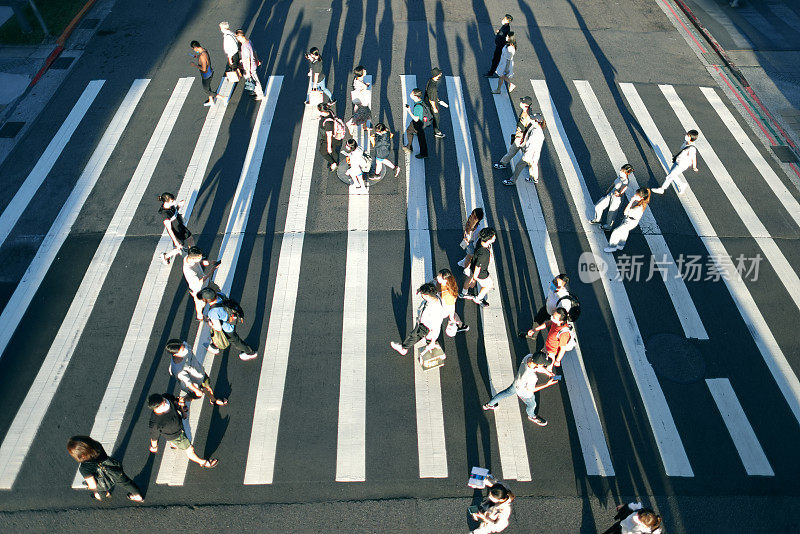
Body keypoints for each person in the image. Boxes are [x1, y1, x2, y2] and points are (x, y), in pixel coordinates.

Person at [482, 351, 558, 426]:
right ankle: (532, 416)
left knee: (505, 393)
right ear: (539, 364)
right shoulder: (531, 377)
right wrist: (546, 384)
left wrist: (548, 373)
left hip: (517, 383)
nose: (544, 366)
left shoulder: (528, 357)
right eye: (543, 364)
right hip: (524, 393)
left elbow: (537, 367)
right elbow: (531, 389)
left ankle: (488, 405)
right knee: (532, 404)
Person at [147, 393, 219, 468]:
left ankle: (174, 444)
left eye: (164, 400)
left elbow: (175, 403)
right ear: (156, 408)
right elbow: (154, 436)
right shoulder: (155, 422)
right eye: (163, 403)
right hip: (176, 436)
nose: (165, 402)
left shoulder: (166, 398)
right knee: (190, 449)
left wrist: (182, 412)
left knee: (178, 441)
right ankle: (204, 463)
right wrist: (154, 447)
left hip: (178, 426)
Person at [67, 435, 143, 502]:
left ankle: (105, 494)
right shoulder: (97, 446)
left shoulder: (84, 468)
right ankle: (137, 496)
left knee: (100, 490)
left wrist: (91, 488)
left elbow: (93, 485)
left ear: (81, 455)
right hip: (113, 469)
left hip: (101, 479)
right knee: (126, 483)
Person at [198, 287, 258, 361]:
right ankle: (214, 347)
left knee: (236, 341)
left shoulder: (213, 312)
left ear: (206, 300)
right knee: (223, 337)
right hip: (231, 318)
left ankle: (250, 353)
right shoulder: (220, 295)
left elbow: (218, 328)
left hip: (227, 328)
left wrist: (209, 322)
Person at [165, 339, 227, 406]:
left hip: (200, 373)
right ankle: (182, 400)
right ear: (175, 354)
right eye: (182, 349)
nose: (185, 348)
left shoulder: (184, 346)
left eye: (183, 345)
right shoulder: (178, 369)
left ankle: (213, 400)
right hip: (193, 383)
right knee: (198, 395)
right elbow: (188, 383)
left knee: (207, 387)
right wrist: (196, 390)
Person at [390, 282, 447, 355]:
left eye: (422, 293)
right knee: (425, 337)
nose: (421, 295)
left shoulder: (436, 310)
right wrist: (420, 289)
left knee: (414, 336)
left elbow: (436, 328)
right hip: (425, 323)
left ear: (427, 296)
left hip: (426, 326)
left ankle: (403, 348)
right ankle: (431, 343)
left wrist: (433, 341)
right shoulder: (435, 296)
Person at [499, 111, 545, 186]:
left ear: (537, 121)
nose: (531, 119)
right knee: (533, 164)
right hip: (533, 152)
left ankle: (512, 180)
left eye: (533, 119)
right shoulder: (535, 127)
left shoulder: (537, 133)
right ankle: (534, 179)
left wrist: (525, 153)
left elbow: (531, 146)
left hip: (530, 152)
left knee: (519, 166)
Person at [604, 188, 651, 252]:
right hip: (630, 220)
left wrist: (631, 201)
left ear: (641, 197)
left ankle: (612, 247)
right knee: (624, 232)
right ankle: (620, 245)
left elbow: (625, 212)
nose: (634, 195)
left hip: (630, 222)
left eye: (636, 195)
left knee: (616, 232)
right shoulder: (640, 202)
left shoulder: (639, 207)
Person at [652, 129, 698, 195]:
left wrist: (694, 167)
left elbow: (693, 157)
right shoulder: (686, 142)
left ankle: (679, 185)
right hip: (678, 161)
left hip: (682, 164)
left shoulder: (692, 148)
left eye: (688, 135)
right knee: (670, 175)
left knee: (672, 174)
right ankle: (664, 188)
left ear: (692, 138)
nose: (686, 136)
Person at [460, 227, 496, 307]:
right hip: (481, 274)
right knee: (488, 285)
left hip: (472, 265)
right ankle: (478, 298)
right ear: (489, 239)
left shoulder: (480, 241)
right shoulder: (483, 254)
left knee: (468, 278)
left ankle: (463, 293)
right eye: (493, 236)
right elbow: (478, 268)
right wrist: (474, 280)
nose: (494, 237)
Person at [493, 96, 532, 169]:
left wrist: (521, 138)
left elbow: (524, 128)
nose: (520, 103)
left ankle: (503, 163)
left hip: (520, 137)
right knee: (525, 151)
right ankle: (528, 162)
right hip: (522, 137)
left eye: (522, 102)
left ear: (526, 105)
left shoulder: (526, 115)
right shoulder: (527, 111)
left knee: (511, 152)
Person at [182, 246, 220, 321]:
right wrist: (212, 271)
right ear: (193, 258)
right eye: (199, 257)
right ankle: (200, 317)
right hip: (198, 289)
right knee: (200, 304)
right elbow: (200, 281)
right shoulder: (189, 271)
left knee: (217, 291)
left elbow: (199, 262)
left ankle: (220, 305)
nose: (201, 257)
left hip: (206, 282)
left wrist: (208, 262)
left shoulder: (188, 257)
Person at [591, 164, 633, 229]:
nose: (620, 172)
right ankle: (598, 219)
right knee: (598, 206)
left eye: (622, 171)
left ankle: (608, 226)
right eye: (621, 170)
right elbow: (614, 183)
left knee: (611, 213)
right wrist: (609, 190)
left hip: (617, 199)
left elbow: (621, 193)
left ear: (627, 173)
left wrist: (618, 193)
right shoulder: (620, 177)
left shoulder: (625, 182)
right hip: (611, 193)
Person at [158, 192, 194, 264]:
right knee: (178, 248)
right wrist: (175, 241)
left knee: (190, 238)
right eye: (172, 201)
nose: (174, 202)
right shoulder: (164, 214)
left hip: (180, 226)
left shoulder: (171, 206)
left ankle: (193, 254)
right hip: (176, 231)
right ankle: (165, 256)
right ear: (166, 202)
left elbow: (175, 212)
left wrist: (179, 206)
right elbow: (170, 230)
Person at [436, 268, 468, 334]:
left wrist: (452, 320)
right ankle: (460, 325)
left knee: (436, 321)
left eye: (439, 277)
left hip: (444, 309)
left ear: (445, 280)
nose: (437, 277)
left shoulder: (448, 295)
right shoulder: (449, 283)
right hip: (446, 305)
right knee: (453, 314)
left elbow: (451, 308)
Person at [235, 29, 263, 100]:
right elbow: (254, 51)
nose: (237, 39)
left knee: (255, 79)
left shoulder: (244, 47)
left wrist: (247, 70)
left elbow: (248, 59)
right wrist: (257, 60)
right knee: (252, 79)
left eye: (237, 37)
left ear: (239, 37)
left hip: (250, 67)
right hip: (253, 64)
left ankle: (260, 94)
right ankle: (255, 91)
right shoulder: (249, 41)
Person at [402, 88, 429, 159]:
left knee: (409, 131)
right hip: (422, 122)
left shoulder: (418, 107)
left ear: (416, 96)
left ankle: (410, 147)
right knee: (421, 137)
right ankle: (424, 153)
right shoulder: (420, 101)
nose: (410, 94)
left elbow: (416, 118)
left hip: (418, 123)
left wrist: (409, 111)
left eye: (412, 94)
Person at [458, 207, 485, 275]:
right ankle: (466, 268)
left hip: (469, 242)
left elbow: (476, 239)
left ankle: (463, 262)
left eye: (475, 216)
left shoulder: (477, 228)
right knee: (470, 256)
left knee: (469, 255)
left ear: (478, 219)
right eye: (472, 213)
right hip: (470, 243)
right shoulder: (471, 221)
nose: (472, 216)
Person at [346, 65, 372, 136]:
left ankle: (364, 126)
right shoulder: (360, 84)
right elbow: (360, 90)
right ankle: (351, 124)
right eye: (364, 70)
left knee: (365, 114)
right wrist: (365, 87)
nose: (365, 71)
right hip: (362, 102)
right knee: (361, 115)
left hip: (360, 101)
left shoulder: (357, 79)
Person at [318, 103, 344, 171]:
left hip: (330, 139)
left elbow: (329, 136)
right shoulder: (330, 111)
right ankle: (334, 162)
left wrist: (328, 147)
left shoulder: (328, 124)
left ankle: (333, 163)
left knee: (323, 152)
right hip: (335, 137)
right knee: (334, 151)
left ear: (322, 111)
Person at [190, 41, 215, 107]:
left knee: (206, 90)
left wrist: (195, 65)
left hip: (206, 75)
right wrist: (197, 56)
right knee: (208, 87)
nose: (194, 50)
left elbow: (203, 69)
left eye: (193, 49)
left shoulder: (202, 56)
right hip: (210, 72)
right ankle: (211, 101)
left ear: (195, 48)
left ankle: (222, 97)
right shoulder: (204, 50)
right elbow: (204, 58)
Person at [424, 67, 447, 139]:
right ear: (436, 75)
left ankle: (415, 129)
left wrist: (438, 100)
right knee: (435, 118)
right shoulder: (433, 87)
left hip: (427, 101)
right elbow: (432, 100)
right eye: (439, 74)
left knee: (426, 116)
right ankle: (436, 132)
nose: (441, 74)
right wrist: (434, 108)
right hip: (431, 104)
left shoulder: (430, 81)